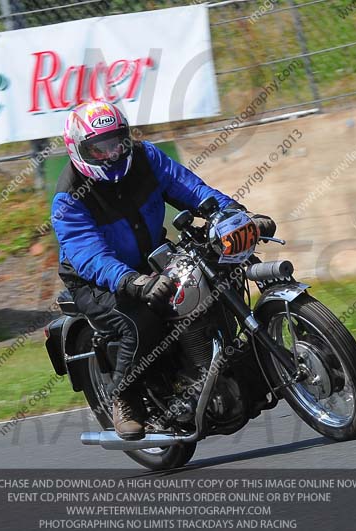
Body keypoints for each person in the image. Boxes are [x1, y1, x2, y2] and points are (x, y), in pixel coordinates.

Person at [52, 100, 276, 440]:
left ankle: (223, 364)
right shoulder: (69, 197)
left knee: (215, 276)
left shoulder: (146, 157)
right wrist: (130, 280)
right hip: (96, 280)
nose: (112, 153)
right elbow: (89, 254)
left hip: (153, 256)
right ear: (79, 150)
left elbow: (190, 188)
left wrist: (233, 214)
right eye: (100, 148)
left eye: (117, 142)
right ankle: (123, 397)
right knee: (140, 321)